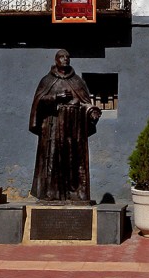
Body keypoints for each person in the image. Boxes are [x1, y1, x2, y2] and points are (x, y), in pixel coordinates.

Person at [29, 49, 102, 202]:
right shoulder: (47, 80)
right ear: (56, 60)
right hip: (52, 127)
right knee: (53, 159)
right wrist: (56, 97)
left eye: (67, 57)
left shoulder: (77, 81)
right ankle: (51, 193)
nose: (65, 59)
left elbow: (85, 103)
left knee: (73, 161)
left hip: (73, 129)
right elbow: (39, 102)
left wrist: (92, 112)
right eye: (61, 57)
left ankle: (74, 194)